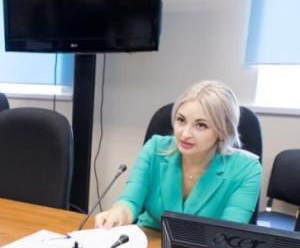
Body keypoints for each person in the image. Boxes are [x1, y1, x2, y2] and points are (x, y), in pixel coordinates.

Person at [95, 80, 262, 230]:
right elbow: (130, 202)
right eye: (181, 120)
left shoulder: (247, 170)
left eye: (201, 125)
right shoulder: (155, 148)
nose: (185, 134)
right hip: (149, 241)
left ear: (223, 131)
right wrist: (118, 213)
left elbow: (227, 235)